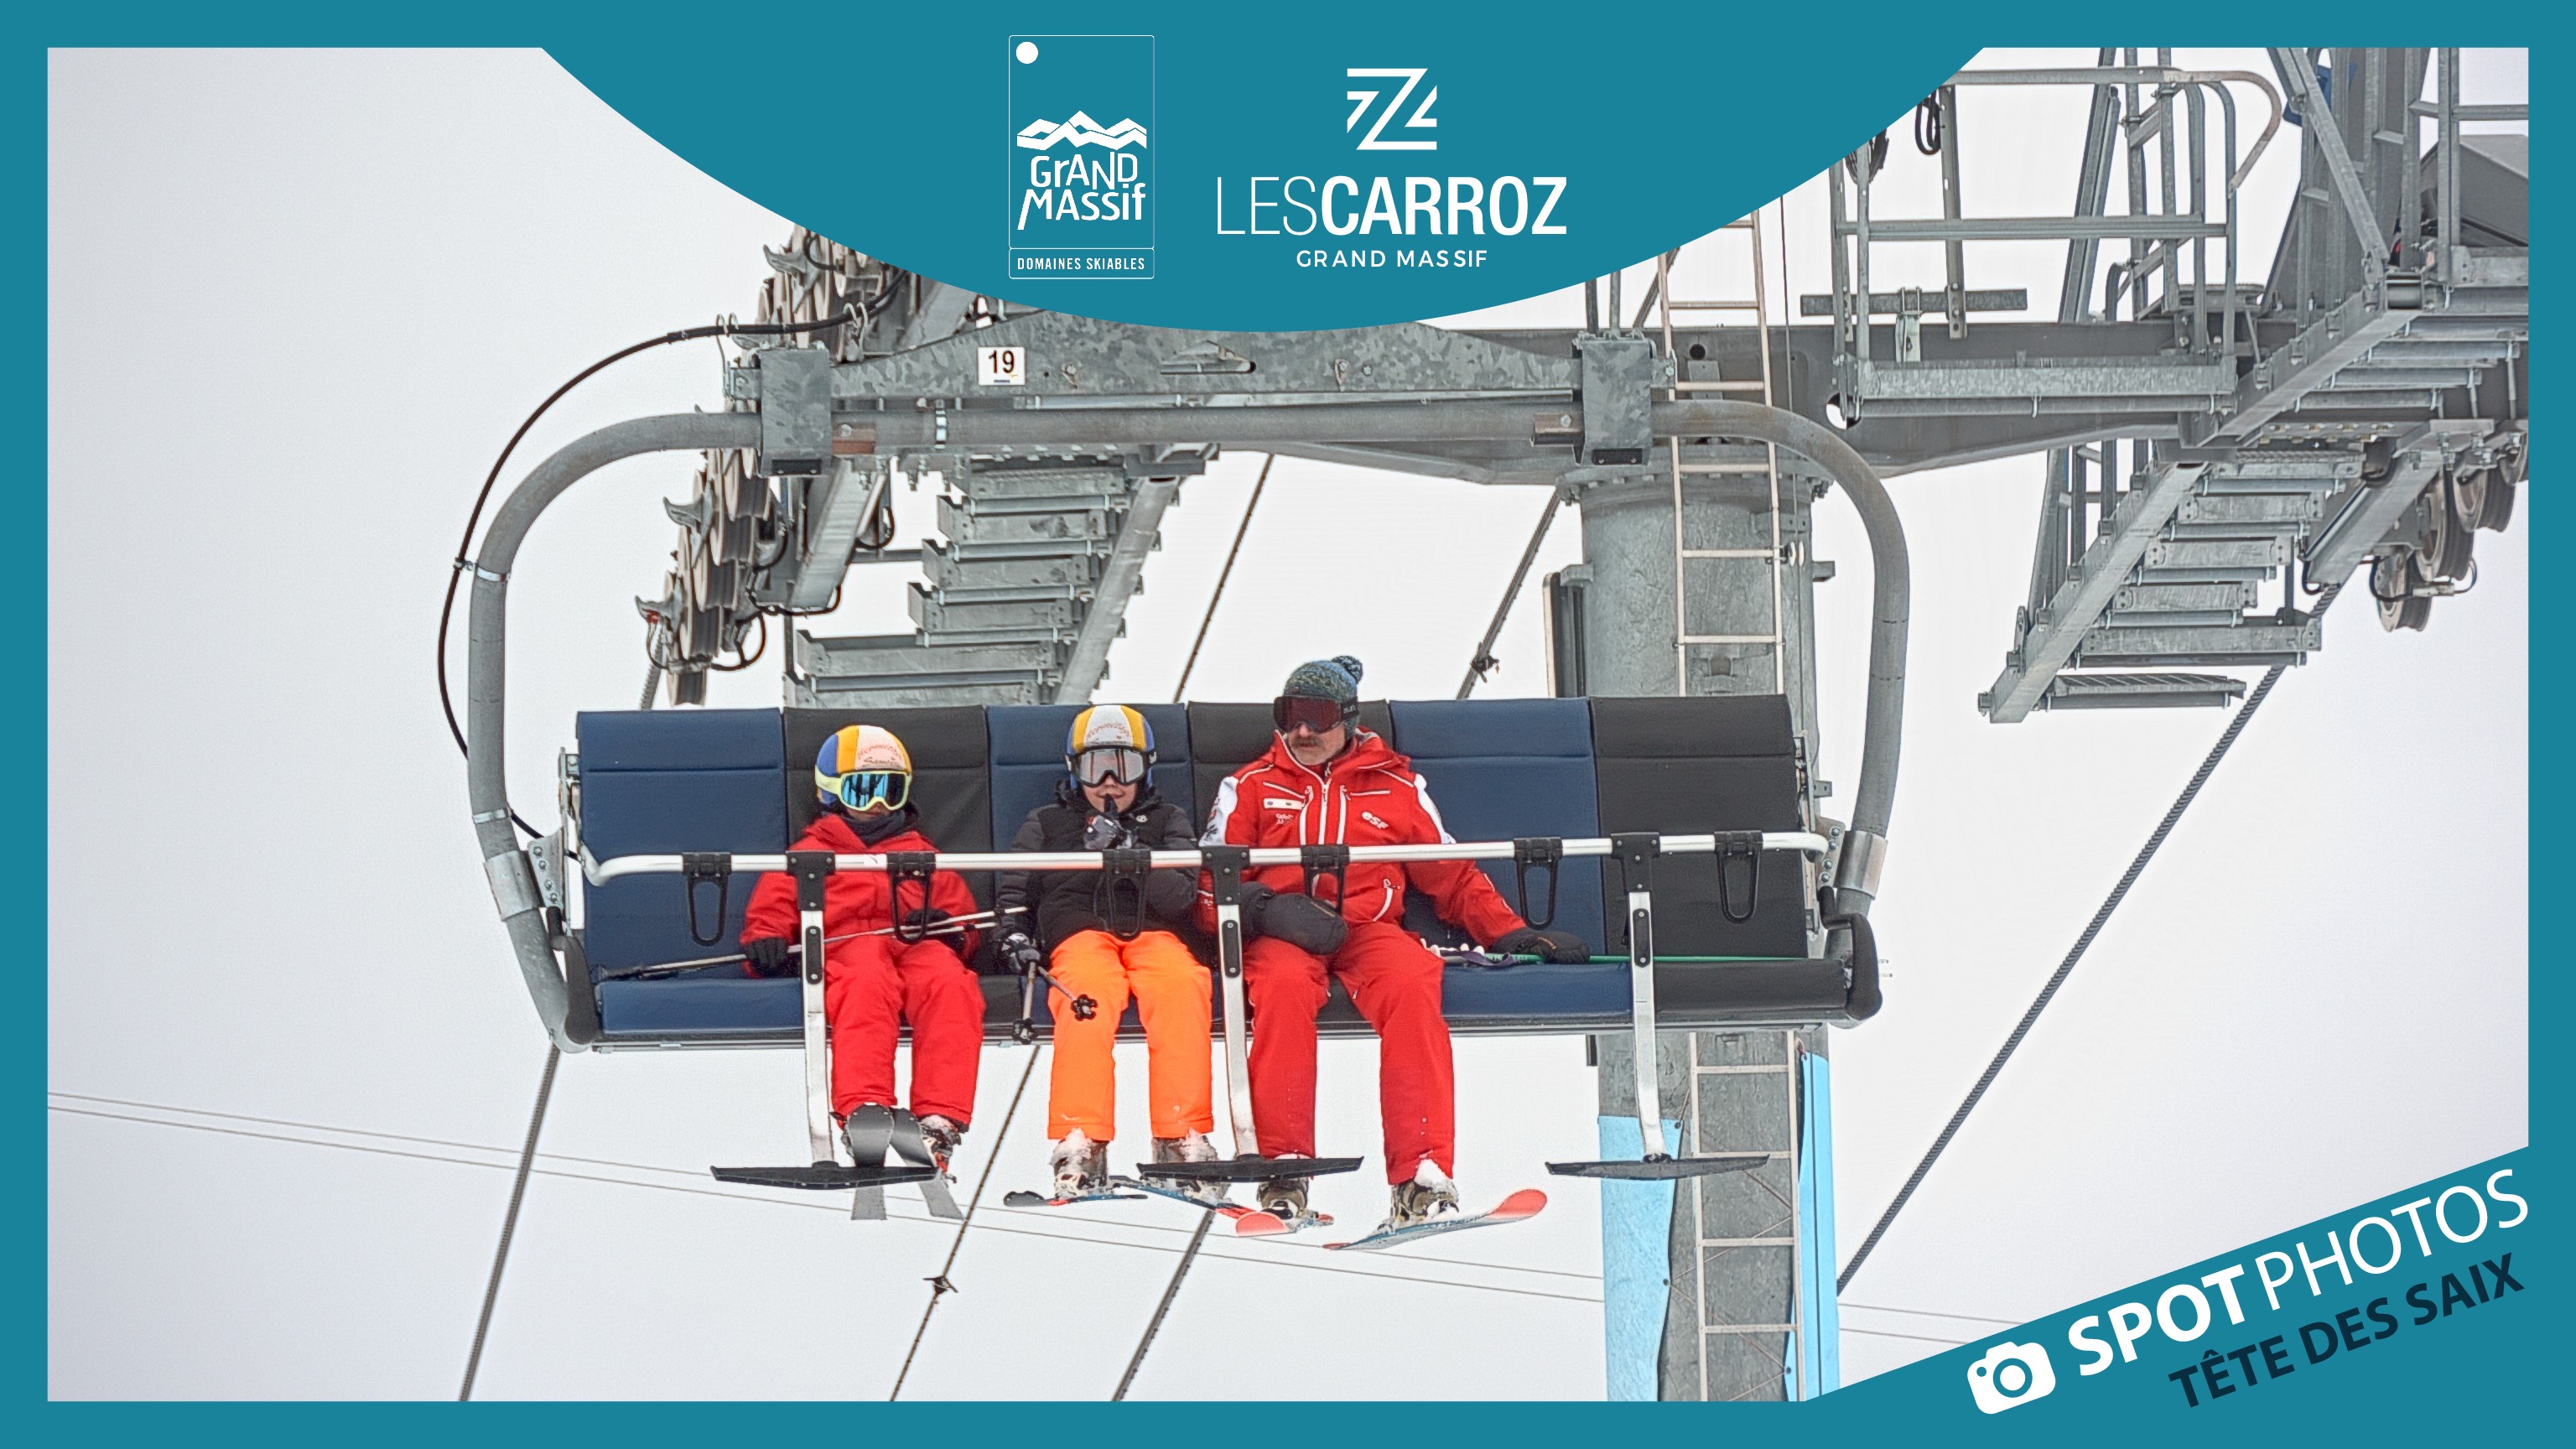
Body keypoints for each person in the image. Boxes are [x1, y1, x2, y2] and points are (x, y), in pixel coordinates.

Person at [1200, 656, 1589, 1231]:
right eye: (1289, 716)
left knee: (1411, 983)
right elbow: (1210, 885)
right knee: (1280, 989)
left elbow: (1449, 873)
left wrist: (1510, 932)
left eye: (1317, 716)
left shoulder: (1395, 786)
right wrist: (1266, 910)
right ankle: (1285, 1167)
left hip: (1368, 930)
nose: (1302, 731)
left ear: (1347, 719)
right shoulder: (1252, 787)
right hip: (1283, 933)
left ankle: (1420, 1175)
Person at [738, 724, 984, 1172]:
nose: (877, 804)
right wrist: (766, 943)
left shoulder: (921, 855)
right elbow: (772, 908)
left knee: (950, 983)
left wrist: (952, 932)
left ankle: (939, 1116)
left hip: (916, 944)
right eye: (863, 790)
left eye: (890, 791)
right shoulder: (809, 856)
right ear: (832, 793)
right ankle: (865, 1107)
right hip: (848, 945)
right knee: (866, 980)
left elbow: (963, 916)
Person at [994, 706, 1217, 1199]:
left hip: (1153, 931)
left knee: (1181, 987)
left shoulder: (1167, 821)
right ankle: (1082, 1137)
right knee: (1086, 996)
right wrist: (1014, 937)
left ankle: (1180, 1133)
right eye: (1096, 769)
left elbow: (1180, 897)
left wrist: (1132, 854)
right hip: (1079, 931)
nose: (1110, 783)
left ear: (1146, 770)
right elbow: (1015, 888)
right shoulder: (1048, 822)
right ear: (1076, 771)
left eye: (1124, 767)